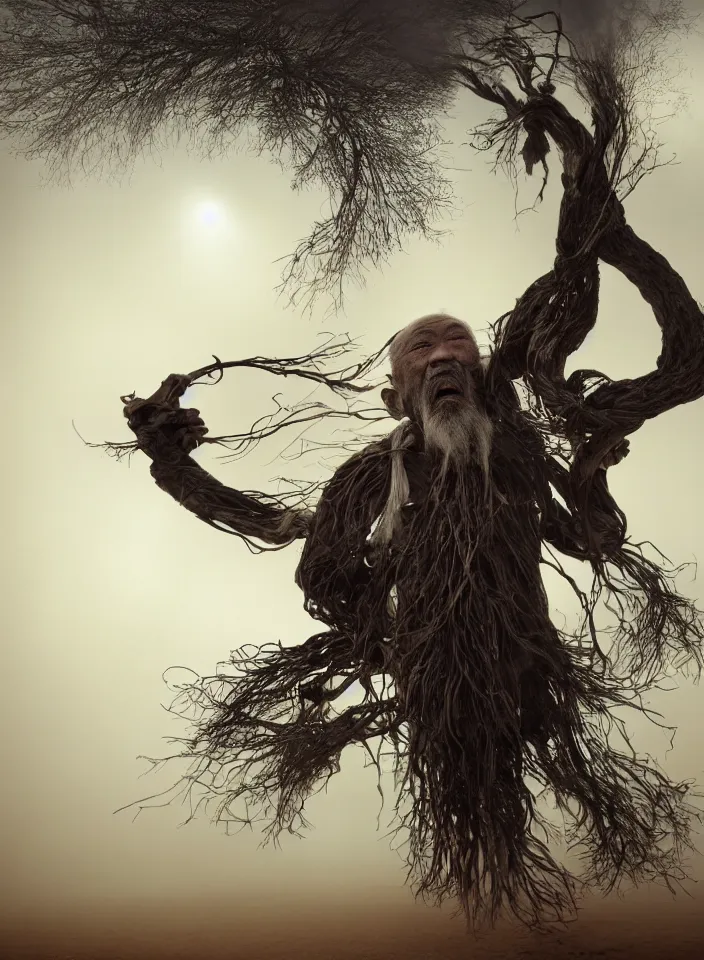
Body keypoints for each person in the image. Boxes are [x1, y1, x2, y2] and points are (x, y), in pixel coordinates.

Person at [122, 303, 700, 930]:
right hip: (435, 670)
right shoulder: (376, 471)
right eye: (422, 348)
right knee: (469, 801)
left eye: (459, 343)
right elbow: (322, 572)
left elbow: (586, 534)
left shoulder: (518, 453)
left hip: (530, 660)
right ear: (395, 395)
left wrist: (593, 474)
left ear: (482, 374)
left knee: (526, 765)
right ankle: (494, 906)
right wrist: (388, 636)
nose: (446, 354)